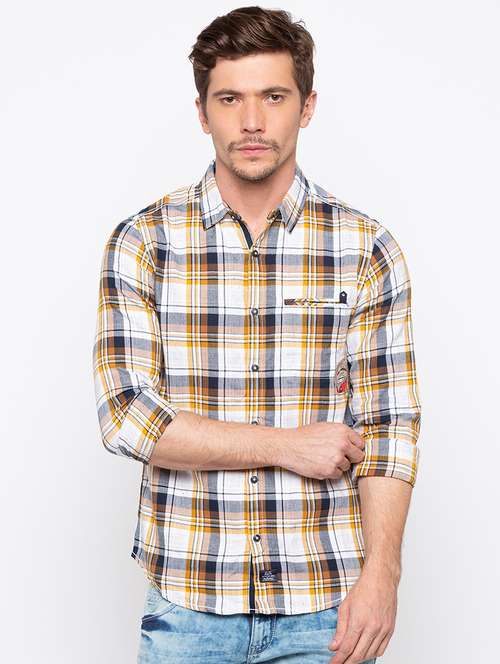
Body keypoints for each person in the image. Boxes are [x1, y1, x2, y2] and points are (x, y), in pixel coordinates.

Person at [92, 6, 422, 663]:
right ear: (201, 112)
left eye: (273, 96)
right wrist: (287, 446)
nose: (251, 121)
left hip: (326, 607)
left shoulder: (365, 247)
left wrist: (384, 575)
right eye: (229, 99)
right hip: (187, 604)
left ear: (307, 106)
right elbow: (128, 418)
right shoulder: (144, 242)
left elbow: (391, 426)